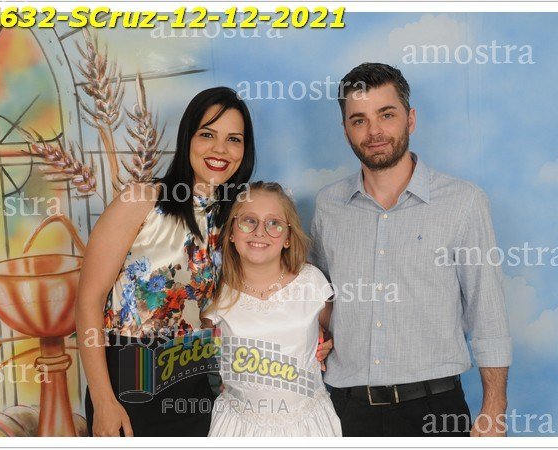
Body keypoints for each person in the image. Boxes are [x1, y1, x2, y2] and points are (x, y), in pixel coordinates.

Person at [309, 63, 512, 437]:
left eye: (386, 115)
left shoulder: (463, 202)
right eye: (359, 120)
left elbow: (487, 311)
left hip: (435, 411)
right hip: (345, 411)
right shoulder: (328, 206)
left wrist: (494, 409)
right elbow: (319, 297)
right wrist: (318, 332)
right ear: (345, 130)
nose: (374, 132)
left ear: (411, 119)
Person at [76, 87, 256, 437]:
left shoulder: (236, 221)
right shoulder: (141, 200)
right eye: (207, 134)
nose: (220, 150)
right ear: (188, 138)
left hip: (195, 381)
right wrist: (103, 400)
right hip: (130, 379)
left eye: (233, 139)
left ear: (244, 150)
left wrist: (310, 334)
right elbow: (88, 300)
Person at [201, 181, 342, 437]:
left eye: (274, 223)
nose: (260, 232)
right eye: (249, 221)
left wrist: (330, 341)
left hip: (307, 425)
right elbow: (203, 351)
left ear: (288, 237)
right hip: (238, 426)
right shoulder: (216, 291)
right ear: (231, 232)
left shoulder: (311, 282)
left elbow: (340, 334)